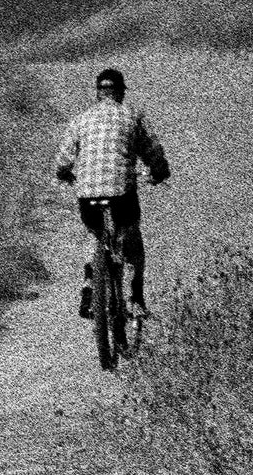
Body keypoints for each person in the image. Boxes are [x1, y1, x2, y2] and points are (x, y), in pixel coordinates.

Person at [54, 68, 170, 319]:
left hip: (87, 194)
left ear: (98, 93)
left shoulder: (81, 119)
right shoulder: (132, 116)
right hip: (121, 193)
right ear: (121, 93)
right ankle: (135, 297)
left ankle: (89, 284)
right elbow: (153, 151)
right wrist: (160, 173)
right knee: (132, 241)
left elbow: (63, 160)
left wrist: (65, 174)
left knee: (94, 234)